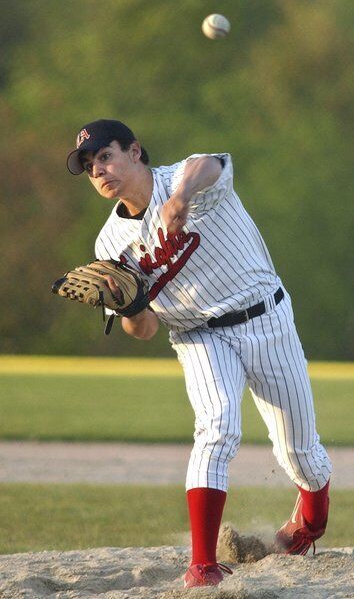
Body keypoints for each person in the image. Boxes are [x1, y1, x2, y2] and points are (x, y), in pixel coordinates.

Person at [66, 119, 332, 588]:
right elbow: (144, 329)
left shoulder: (184, 179)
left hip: (266, 316)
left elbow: (209, 165)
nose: (98, 170)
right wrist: (129, 304)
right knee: (218, 428)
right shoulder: (110, 244)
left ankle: (309, 523)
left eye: (105, 156)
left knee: (300, 453)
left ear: (134, 150)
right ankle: (203, 564)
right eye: (89, 167)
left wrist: (180, 198)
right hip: (198, 336)